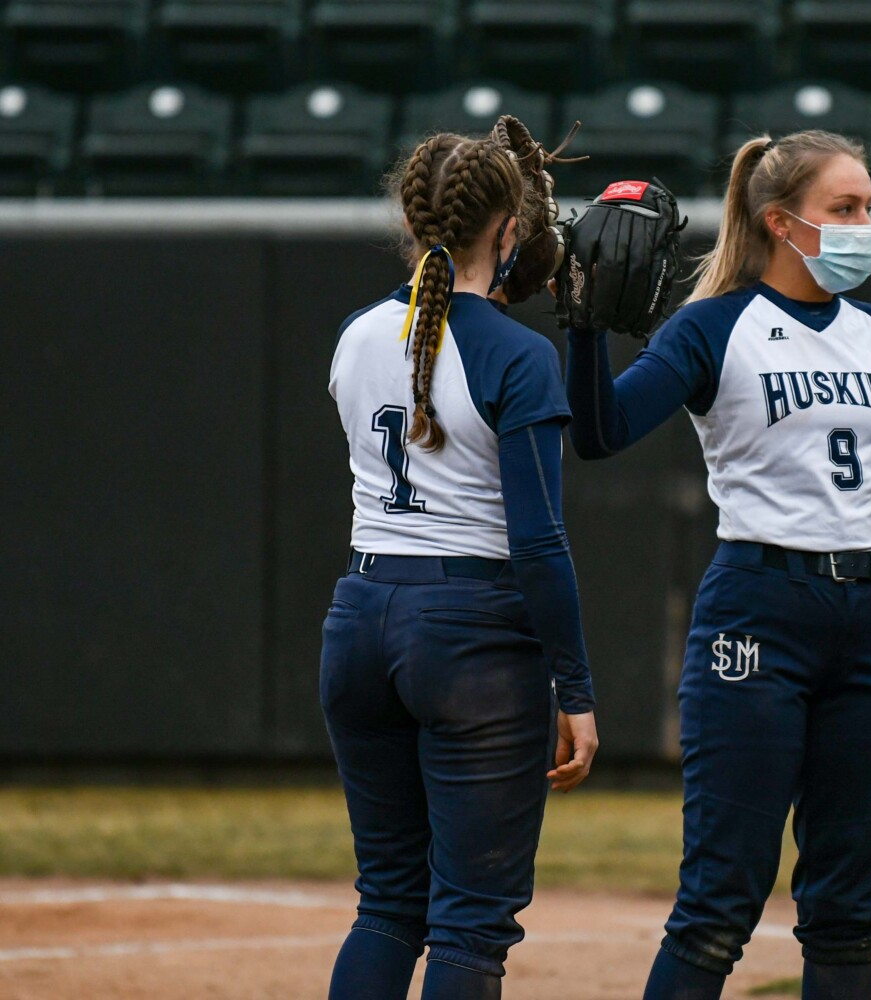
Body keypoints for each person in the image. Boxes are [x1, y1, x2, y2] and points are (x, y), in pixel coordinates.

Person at [560, 129, 871, 1000]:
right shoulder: (713, 327)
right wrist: (578, 327)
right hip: (760, 612)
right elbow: (600, 433)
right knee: (719, 901)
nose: (864, 222)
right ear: (780, 220)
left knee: (846, 910)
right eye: (845, 207)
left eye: (867, 206)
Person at [321, 129, 599, 1000]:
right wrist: (577, 690)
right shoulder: (518, 354)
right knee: (470, 922)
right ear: (510, 229)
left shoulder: (355, 335)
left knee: (388, 906)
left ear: (413, 219)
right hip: (470, 635)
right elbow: (539, 544)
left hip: (360, 617)